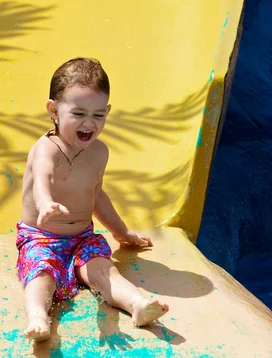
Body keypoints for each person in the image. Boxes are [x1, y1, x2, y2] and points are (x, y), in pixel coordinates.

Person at [16, 57, 169, 342]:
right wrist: (46, 202)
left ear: (108, 111)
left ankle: (137, 305)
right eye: (79, 113)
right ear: (53, 110)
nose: (89, 123)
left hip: (82, 237)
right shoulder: (45, 149)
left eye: (99, 115)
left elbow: (96, 195)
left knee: (102, 269)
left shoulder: (99, 152)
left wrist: (122, 232)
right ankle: (38, 316)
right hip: (41, 237)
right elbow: (42, 179)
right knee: (42, 274)